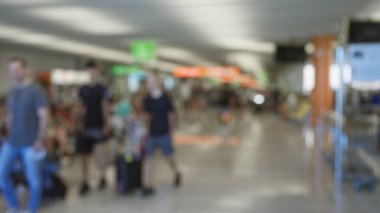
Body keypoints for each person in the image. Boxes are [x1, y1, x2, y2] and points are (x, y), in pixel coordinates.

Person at [0, 57, 48, 213]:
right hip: (12, 141)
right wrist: (6, 125)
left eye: (17, 69)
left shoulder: (36, 91)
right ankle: (13, 205)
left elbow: (44, 116)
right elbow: (10, 115)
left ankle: (32, 209)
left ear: (25, 69)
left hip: (30, 143)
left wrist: (40, 139)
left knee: (33, 180)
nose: (14, 72)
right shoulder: (12, 92)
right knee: (1, 173)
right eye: (11, 70)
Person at [142, 74, 182, 196]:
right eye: (148, 82)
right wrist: (145, 130)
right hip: (152, 134)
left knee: (168, 156)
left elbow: (171, 115)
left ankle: (176, 173)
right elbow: (146, 116)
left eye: (152, 81)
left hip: (164, 132)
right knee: (148, 158)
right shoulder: (147, 99)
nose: (149, 84)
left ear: (157, 83)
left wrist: (171, 131)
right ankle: (149, 185)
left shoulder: (166, 98)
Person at [75, 61, 111, 196]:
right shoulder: (83, 89)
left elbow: (105, 108)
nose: (91, 73)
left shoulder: (102, 89)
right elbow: (80, 106)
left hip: (98, 125)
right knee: (84, 156)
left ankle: (102, 177)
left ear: (97, 71)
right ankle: (85, 181)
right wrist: (78, 121)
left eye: (93, 70)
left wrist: (106, 125)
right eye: (88, 71)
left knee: (100, 154)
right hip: (86, 126)